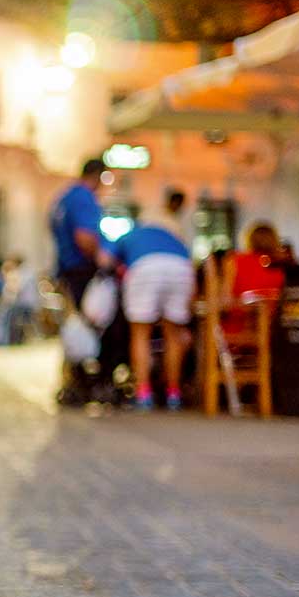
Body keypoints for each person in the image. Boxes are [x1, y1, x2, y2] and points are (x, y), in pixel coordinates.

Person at [101, 220, 194, 411]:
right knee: (174, 334)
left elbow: (104, 260)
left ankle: (143, 394)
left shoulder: (128, 236)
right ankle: (173, 394)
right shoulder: (170, 234)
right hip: (181, 268)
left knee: (140, 333)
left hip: (145, 268)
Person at [50, 158, 109, 400]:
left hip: (66, 268)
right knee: (89, 326)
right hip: (81, 270)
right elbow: (85, 238)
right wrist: (101, 258)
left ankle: (71, 381)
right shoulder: (84, 198)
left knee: (73, 327)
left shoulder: (64, 198)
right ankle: (84, 382)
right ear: (97, 177)